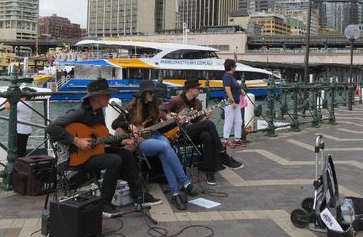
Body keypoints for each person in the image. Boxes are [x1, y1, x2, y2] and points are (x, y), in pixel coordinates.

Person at [46, 78, 161, 218]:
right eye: (107, 95)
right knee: (114, 160)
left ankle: (139, 196)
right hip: (76, 156)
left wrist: (122, 142)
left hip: (93, 152)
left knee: (126, 154)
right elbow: (51, 128)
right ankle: (104, 204)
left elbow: (103, 137)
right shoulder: (79, 112)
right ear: (96, 97)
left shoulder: (99, 112)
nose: (110, 97)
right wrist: (76, 141)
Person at [112, 80, 200, 211]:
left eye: (153, 93)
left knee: (165, 150)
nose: (153, 95)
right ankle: (185, 182)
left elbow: (161, 127)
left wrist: (175, 121)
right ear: (143, 94)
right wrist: (129, 125)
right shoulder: (131, 108)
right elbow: (115, 124)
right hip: (141, 141)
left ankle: (175, 194)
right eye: (150, 92)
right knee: (165, 147)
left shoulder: (154, 107)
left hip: (155, 135)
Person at [161, 78, 244, 185]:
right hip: (178, 132)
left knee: (206, 135)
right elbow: (159, 110)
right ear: (190, 89)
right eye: (198, 88)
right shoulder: (176, 100)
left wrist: (206, 117)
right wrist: (171, 116)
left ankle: (209, 171)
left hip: (192, 132)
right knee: (208, 125)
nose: (200, 90)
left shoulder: (197, 103)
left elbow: (199, 122)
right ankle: (223, 154)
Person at [4, 87, 36, 157]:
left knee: (17, 151)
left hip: (20, 130)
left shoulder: (20, 105)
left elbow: (7, 106)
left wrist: (8, 97)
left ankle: (17, 165)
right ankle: (22, 164)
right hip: (26, 130)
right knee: (22, 149)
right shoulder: (29, 102)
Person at [222, 59, 246, 148]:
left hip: (236, 102)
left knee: (238, 121)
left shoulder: (231, 76)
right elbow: (227, 89)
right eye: (235, 66)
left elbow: (235, 87)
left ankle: (237, 139)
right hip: (230, 102)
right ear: (231, 67)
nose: (236, 67)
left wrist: (241, 90)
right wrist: (232, 101)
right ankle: (226, 140)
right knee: (229, 121)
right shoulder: (227, 76)